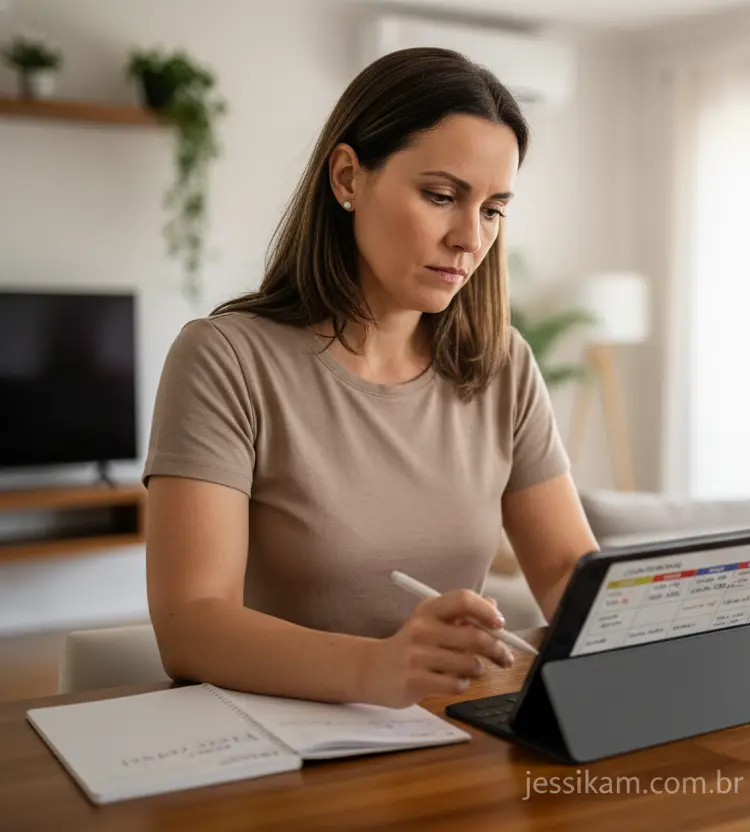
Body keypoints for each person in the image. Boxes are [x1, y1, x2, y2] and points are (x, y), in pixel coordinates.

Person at [143, 47, 598, 710]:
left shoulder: (502, 366)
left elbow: (564, 569)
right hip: (285, 744)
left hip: (446, 735)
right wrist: (374, 670)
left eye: (494, 209)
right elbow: (190, 624)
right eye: (442, 196)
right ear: (349, 177)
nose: (471, 238)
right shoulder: (225, 359)